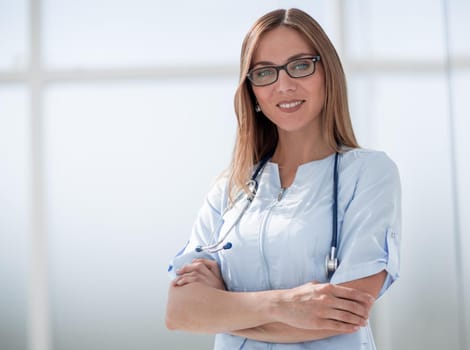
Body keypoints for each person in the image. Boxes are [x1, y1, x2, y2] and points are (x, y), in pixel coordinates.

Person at [165, 8, 401, 350]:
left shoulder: (369, 174)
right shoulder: (230, 189)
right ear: (253, 92)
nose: (284, 85)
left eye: (301, 65)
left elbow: (348, 312)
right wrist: (287, 306)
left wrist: (224, 312)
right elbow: (180, 311)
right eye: (264, 73)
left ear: (328, 73)